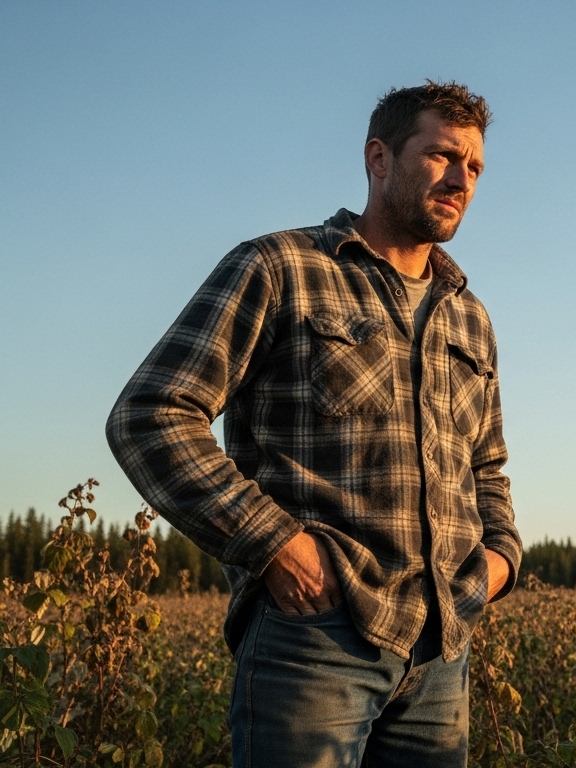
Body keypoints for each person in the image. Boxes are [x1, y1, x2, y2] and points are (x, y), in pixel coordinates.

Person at [106, 81, 521, 767]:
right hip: (315, 642)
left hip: (442, 658)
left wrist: (497, 564)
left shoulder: (468, 316)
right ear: (379, 158)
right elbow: (150, 416)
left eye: (475, 167)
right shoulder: (280, 268)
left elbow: (487, 468)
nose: (461, 179)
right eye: (443, 155)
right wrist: (275, 544)